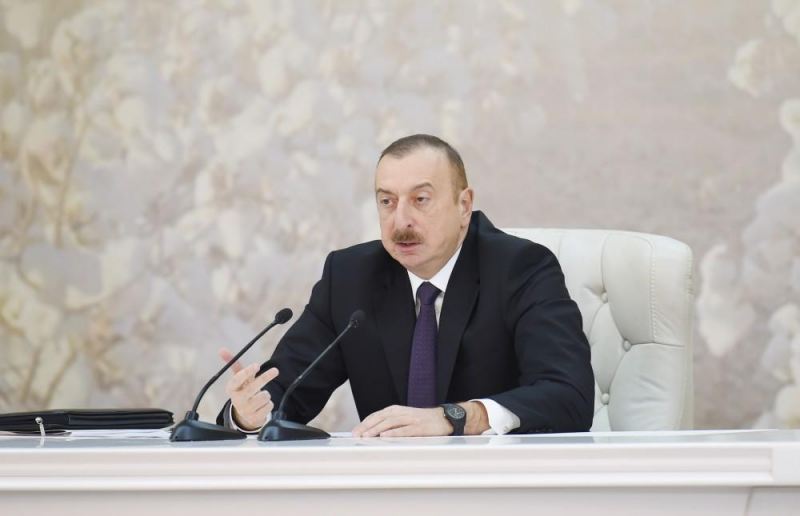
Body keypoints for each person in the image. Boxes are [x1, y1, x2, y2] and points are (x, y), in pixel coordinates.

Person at [216, 134, 594, 436]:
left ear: (464, 205)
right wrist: (249, 415)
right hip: (387, 490)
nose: (400, 221)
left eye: (421, 199)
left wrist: (456, 417)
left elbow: (568, 395)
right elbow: (284, 394)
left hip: (494, 487)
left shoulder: (521, 268)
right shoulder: (349, 277)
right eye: (387, 201)